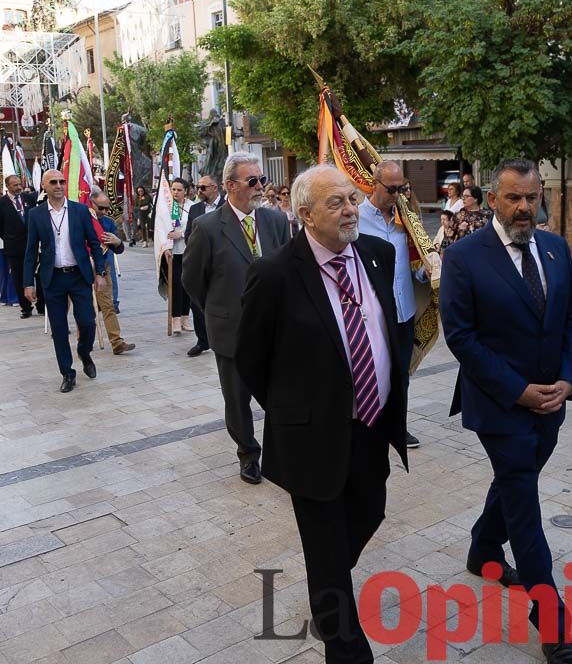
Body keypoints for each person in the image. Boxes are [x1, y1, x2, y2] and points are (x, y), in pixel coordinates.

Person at [236, 166, 409, 664]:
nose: (351, 209)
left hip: (371, 427)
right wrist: (297, 411)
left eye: (352, 198)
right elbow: (251, 360)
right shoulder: (274, 274)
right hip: (312, 439)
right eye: (336, 203)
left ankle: (328, 585)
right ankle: (346, 647)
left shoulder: (378, 254)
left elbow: (387, 333)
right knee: (327, 552)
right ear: (306, 215)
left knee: (369, 513)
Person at [440, 158, 572, 664]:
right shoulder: (463, 257)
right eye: (512, 198)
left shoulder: (556, 247)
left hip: (552, 403)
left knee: (513, 481)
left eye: (531, 196)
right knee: (524, 500)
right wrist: (518, 390)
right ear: (493, 199)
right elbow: (460, 336)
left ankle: (483, 549)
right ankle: (551, 622)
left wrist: (568, 379)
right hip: (500, 404)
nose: (524, 207)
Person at [182, 152, 291, 483]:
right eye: (253, 181)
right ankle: (247, 453)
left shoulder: (274, 221)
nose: (260, 187)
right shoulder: (207, 227)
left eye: (262, 181)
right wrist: (218, 310)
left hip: (273, 330)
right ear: (230, 186)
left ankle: (284, 451)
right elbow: (192, 280)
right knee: (238, 398)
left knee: (281, 394)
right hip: (232, 330)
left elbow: (288, 269)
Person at [358, 161, 429, 449]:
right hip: (372, 312)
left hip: (404, 310)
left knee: (401, 372)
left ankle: (398, 426)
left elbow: (414, 266)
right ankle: (371, 423)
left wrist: (429, 270)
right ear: (374, 183)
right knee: (373, 369)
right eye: (392, 189)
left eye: (402, 189)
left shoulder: (406, 219)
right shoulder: (357, 218)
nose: (397, 195)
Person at [23, 169, 107, 393]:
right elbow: (30, 251)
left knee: (87, 322)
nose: (59, 186)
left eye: (62, 181)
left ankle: (84, 351)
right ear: (44, 186)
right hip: (53, 278)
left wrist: (100, 272)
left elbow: (95, 243)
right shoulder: (35, 215)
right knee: (59, 329)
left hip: (79, 276)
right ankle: (67, 373)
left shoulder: (80, 211)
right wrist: (28, 283)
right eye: (54, 182)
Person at [184, 173, 226, 358]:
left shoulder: (227, 206)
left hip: (222, 262)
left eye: (203, 187)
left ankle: (224, 337)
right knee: (196, 302)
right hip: (202, 262)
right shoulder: (195, 209)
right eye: (198, 187)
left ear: (215, 188)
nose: (199, 190)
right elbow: (188, 234)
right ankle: (203, 340)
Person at [91, 191, 135, 354]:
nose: (104, 212)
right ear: (92, 203)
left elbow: (119, 249)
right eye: (101, 208)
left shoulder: (108, 223)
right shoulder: (82, 219)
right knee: (86, 309)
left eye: (107, 208)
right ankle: (84, 341)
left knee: (108, 306)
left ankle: (117, 342)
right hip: (84, 268)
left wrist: (118, 242)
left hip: (103, 269)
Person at [0, 175, 40, 318]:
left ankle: (41, 303)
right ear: (7, 186)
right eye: (15, 185)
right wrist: (9, 238)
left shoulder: (29, 198)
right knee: (18, 277)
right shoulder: (0, 203)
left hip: (32, 245)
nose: (19, 187)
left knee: (38, 275)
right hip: (14, 247)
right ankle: (25, 307)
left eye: (20, 184)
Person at [159, 178, 195, 333]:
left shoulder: (191, 207)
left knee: (188, 284)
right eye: (173, 189)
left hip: (188, 249)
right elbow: (160, 228)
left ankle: (185, 317)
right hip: (172, 251)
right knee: (176, 284)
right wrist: (164, 246)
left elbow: (194, 226)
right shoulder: (167, 207)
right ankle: (175, 319)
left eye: (179, 190)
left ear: (185, 191)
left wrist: (180, 233)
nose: (176, 193)